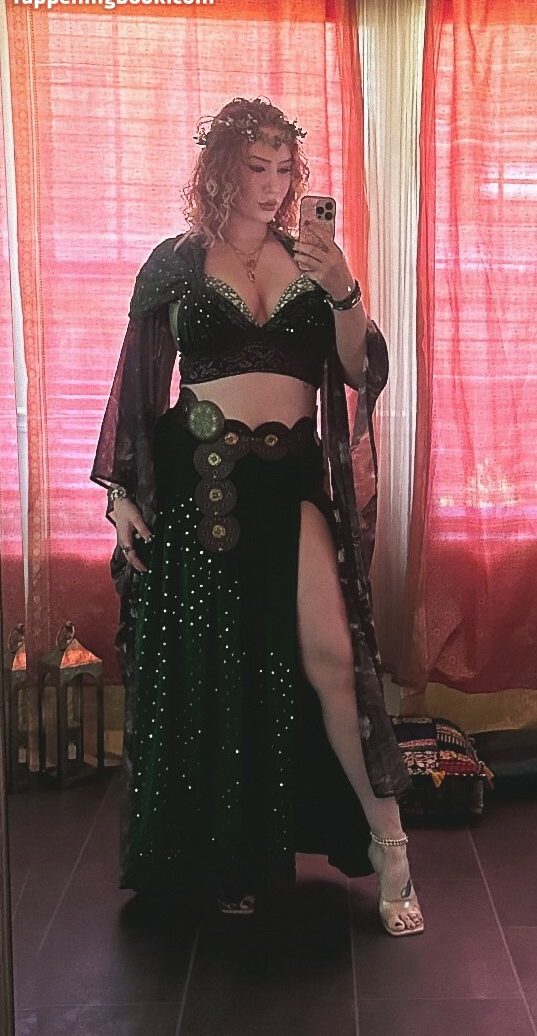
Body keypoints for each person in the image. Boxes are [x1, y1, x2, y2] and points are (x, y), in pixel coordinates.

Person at [91, 97, 424, 935]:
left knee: (331, 655)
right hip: (198, 479)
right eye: (256, 168)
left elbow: (359, 370)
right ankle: (229, 856)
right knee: (218, 670)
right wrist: (121, 494)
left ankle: (390, 843)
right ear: (220, 170)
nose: (274, 186)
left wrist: (344, 290)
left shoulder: (311, 260)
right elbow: (139, 381)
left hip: (287, 483)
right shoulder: (175, 262)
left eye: (285, 170)